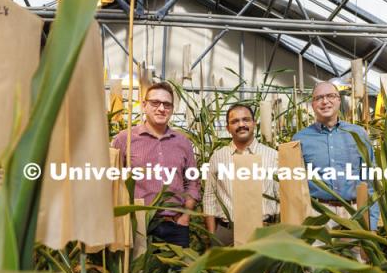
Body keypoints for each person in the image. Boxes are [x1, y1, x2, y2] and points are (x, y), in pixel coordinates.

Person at [113, 81, 200, 248]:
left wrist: (185, 216)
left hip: (176, 225)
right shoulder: (124, 139)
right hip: (138, 225)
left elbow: (192, 182)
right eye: (155, 103)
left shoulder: (183, 143)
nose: (161, 108)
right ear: (144, 105)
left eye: (167, 104)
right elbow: (113, 181)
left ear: (172, 109)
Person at [292, 81, 379, 230]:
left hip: (356, 212)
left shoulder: (358, 134)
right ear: (312, 105)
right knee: (317, 254)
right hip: (317, 214)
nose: (325, 101)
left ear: (339, 100)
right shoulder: (300, 139)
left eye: (330, 96)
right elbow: (294, 185)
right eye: (319, 98)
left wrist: (371, 222)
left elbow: (370, 179)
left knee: (356, 254)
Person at [203, 104, 279, 246]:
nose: (241, 124)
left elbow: (281, 196)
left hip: (264, 231)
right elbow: (209, 198)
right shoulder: (218, 157)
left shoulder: (273, 156)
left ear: (254, 123)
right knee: (227, 269)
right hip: (227, 232)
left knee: (264, 269)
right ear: (227, 128)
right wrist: (212, 237)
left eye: (246, 120)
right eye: (235, 121)